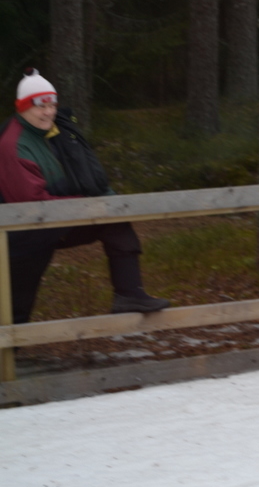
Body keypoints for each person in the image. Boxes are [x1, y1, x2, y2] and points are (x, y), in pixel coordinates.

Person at [0, 68, 169, 323]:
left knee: (114, 222)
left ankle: (129, 294)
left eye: (52, 105)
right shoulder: (13, 145)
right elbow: (31, 206)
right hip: (23, 233)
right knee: (15, 307)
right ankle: (10, 345)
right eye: (40, 106)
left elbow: (82, 173)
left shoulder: (56, 131)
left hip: (56, 220)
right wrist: (84, 205)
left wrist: (108, 201)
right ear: (22, 107)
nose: (48, 112)